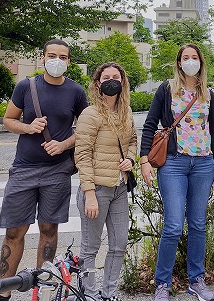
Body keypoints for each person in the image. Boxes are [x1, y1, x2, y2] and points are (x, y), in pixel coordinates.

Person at [0, 39, 88, 301]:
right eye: (52, 55)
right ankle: (3, 291)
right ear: (43, 58)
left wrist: (65, 144)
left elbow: (87, 127)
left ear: (69, 61)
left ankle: (40, 289)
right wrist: (28, 127)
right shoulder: (26, 86)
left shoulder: (76, 92)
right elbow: (8, 119)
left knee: (49, 229)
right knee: (14, 231)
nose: (57, 60)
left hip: (57, 170)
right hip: (23, 168)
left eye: (63, 57)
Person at [140, 43, 214, 301]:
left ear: (201, 62)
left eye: (194, 57)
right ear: (179, 63)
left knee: (198, 224)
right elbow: (149, 125)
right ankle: (162, 283)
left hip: (203, 164)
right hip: (174, 164)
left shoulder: (209, 94)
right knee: (174, 225)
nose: (190, 61)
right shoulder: (167, 90)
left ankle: (196, 279)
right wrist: (144, 160)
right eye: (185, 57)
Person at [74, 62, 137, 301]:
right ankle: (89, 294)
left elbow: (132, 141)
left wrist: (130, 160)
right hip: (97, 189)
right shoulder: (90, 114)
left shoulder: (126, 111)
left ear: (122, 82)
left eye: (116, 77)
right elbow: (82, 154)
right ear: (98, 83)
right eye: (106, 77)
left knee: (119, 243)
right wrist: (89, 192)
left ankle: (109, 293)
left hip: (119, 187)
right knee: (90, 247)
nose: (112, 80)